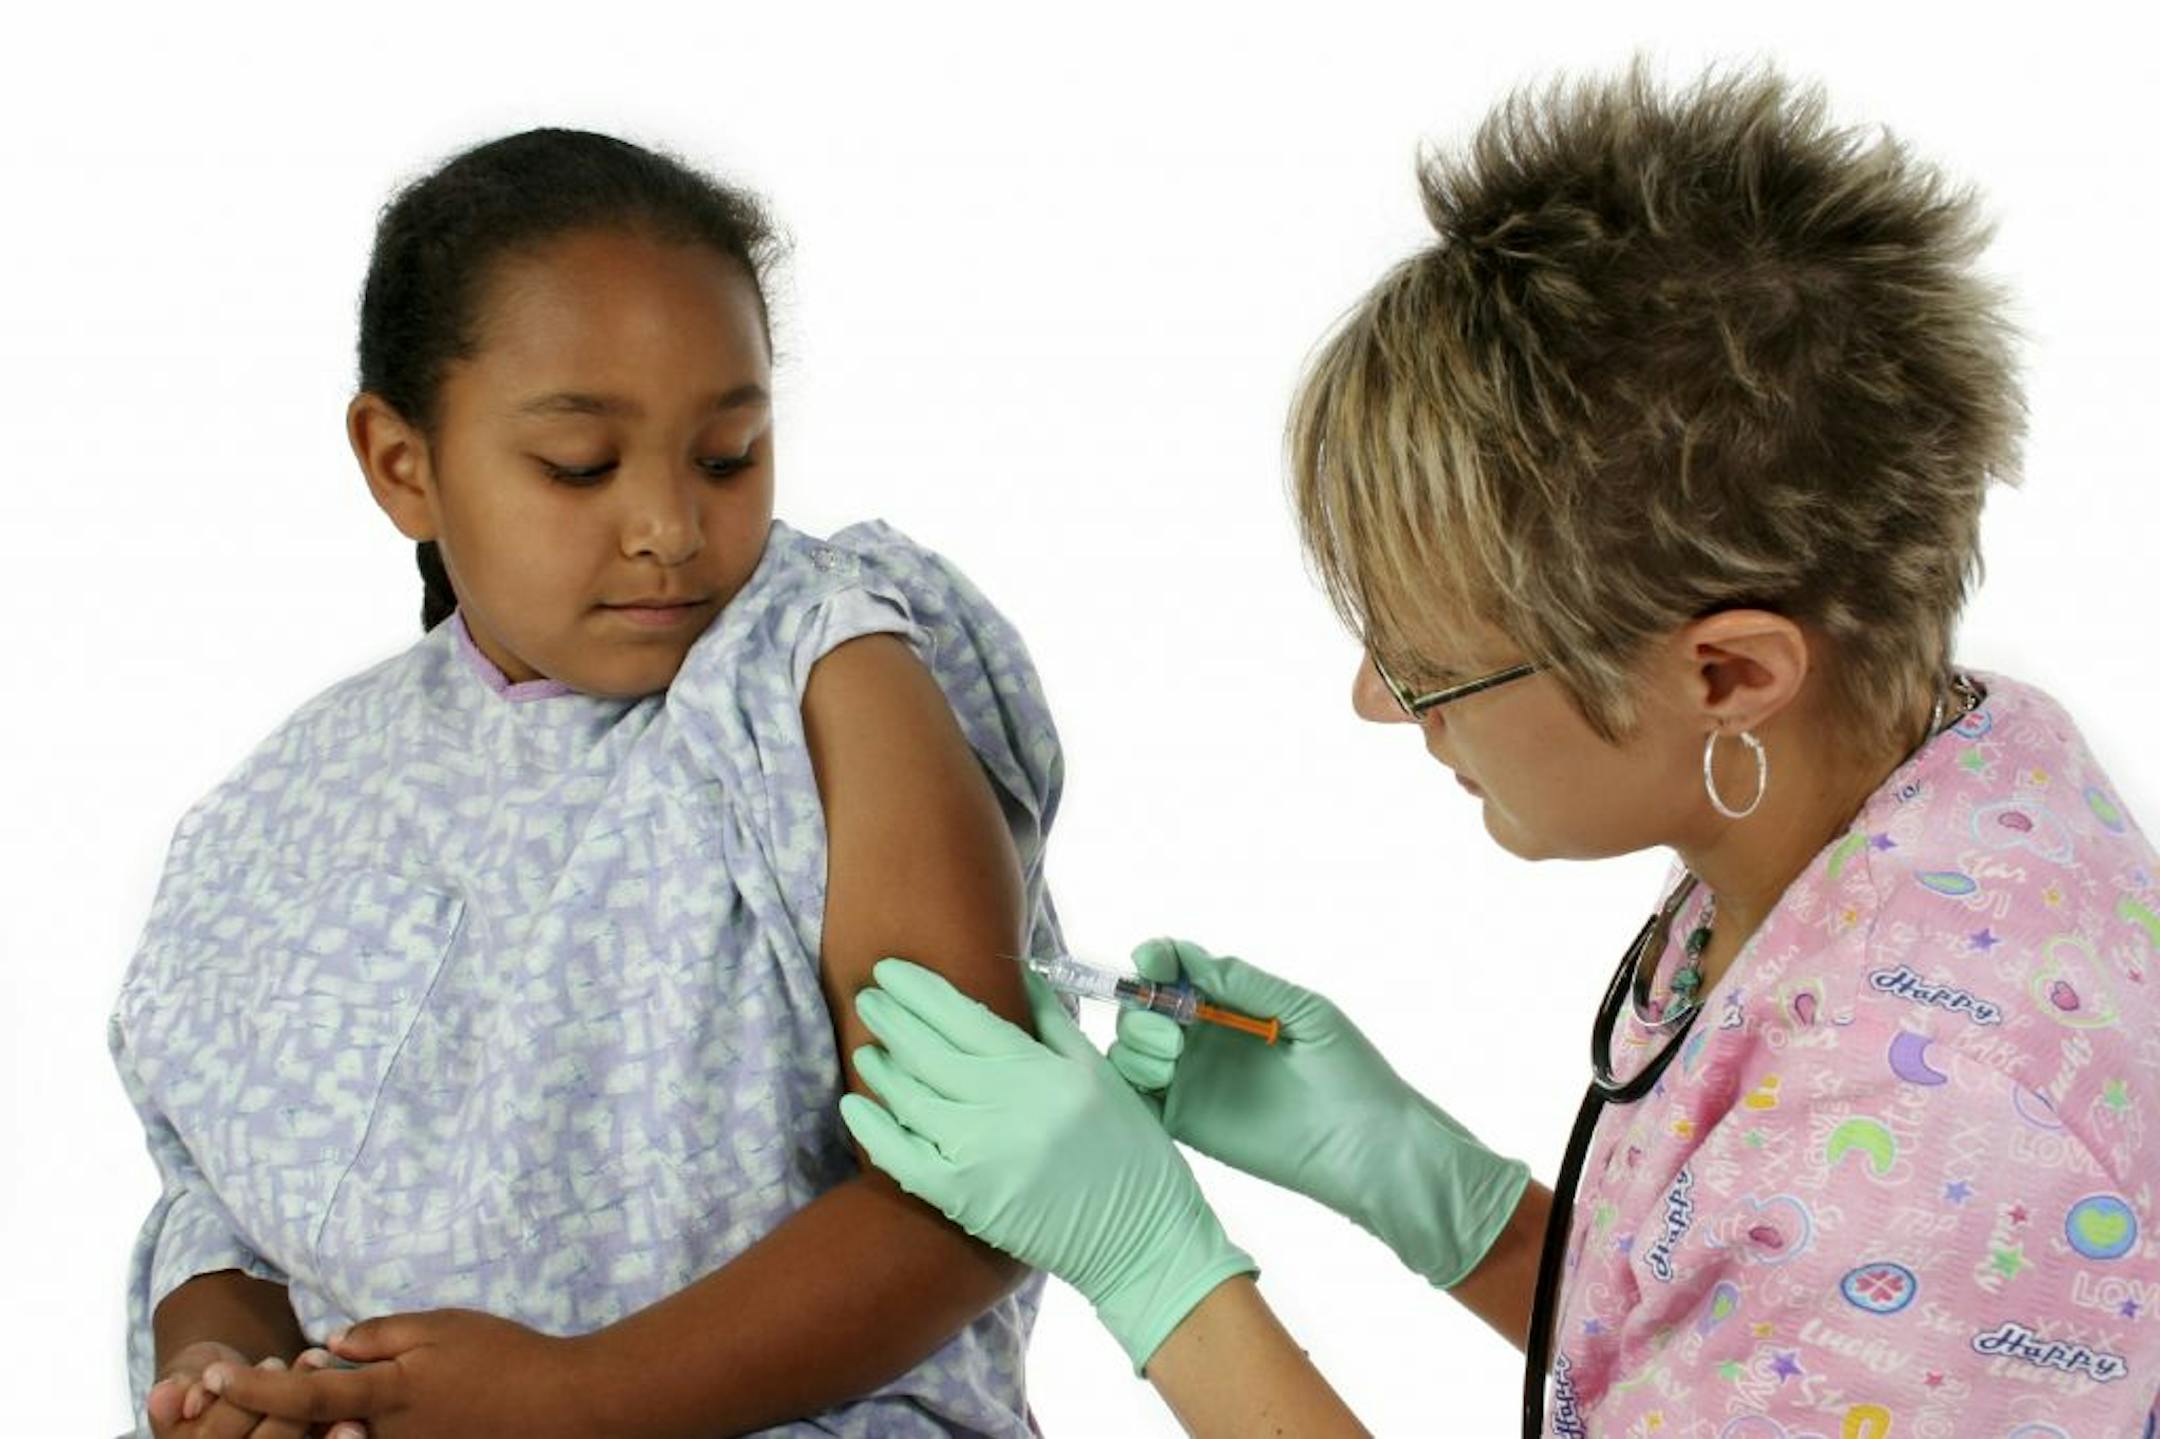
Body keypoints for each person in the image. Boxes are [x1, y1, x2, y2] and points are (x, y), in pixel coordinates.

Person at [835, 64, 2160, 1436]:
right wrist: (1440, 1199)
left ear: (1729, 672)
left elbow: (1852, 1261)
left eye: (1431, 667)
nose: (1379, 702)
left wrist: (1158, 1271)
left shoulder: (1953, 1136)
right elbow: (1738, 1355)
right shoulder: (1936, 770)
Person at [110, 128, 1065, 1439]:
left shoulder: (822, 680)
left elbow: (996, 1176)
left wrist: (579, 1397)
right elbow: (225, 1203)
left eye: (727, 454)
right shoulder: (279, 815)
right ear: (403, 464)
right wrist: (226, 1373)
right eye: (582, 468)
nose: (671, 526)